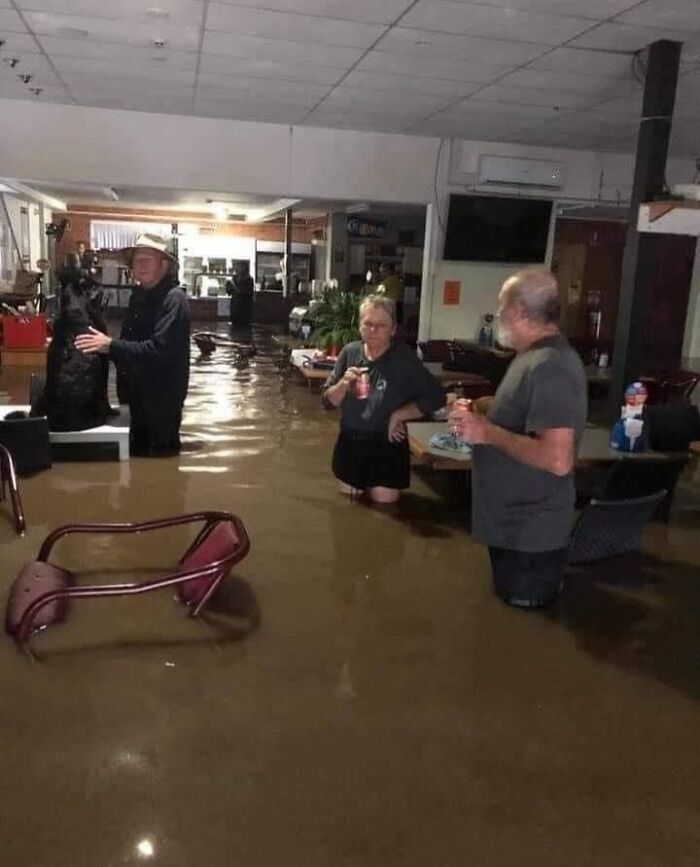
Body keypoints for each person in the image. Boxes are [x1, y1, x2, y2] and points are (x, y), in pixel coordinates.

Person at [449, 268, 587, 609]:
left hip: (531, 537)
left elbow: (557, 459)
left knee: (524, 635)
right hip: (514, 529)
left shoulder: (550, 366)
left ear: (522, 311)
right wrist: (482, 408)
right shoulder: (533, 357)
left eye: (503, 307)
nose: (498, 315)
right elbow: (524, 411)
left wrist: (485, 431)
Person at [75, 233, 190, 457]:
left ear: (164, 264)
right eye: (137, 261)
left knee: (159, 465)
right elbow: (128, 344)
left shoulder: (174, 300)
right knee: (136, 465)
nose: (140, 265)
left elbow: (159, 351)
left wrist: (110, 346)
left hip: (160, 405)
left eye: (147, 260)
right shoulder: (138, 297)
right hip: (134, 399)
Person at [322, 295, 444, 504]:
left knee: (385, 514)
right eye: (368, 324)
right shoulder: (350, 352)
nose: (373, 330)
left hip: (387, 446)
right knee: (347, 512)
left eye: (381, 325)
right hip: (350, 444)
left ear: (393, 329)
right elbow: (327, 403)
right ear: (359, 326)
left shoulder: (404, 359)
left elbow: (436, 396)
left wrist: (399, 415)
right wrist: (343, 384)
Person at [228, 263, 255, 327]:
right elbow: (229, 292)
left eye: (240, 268)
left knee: (244, 325)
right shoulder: (234, 278)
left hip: (244, 306)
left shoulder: (249, 279)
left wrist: (235, 287)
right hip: (236, 306)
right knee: (235, 326)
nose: (239, 269)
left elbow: (247, 292)